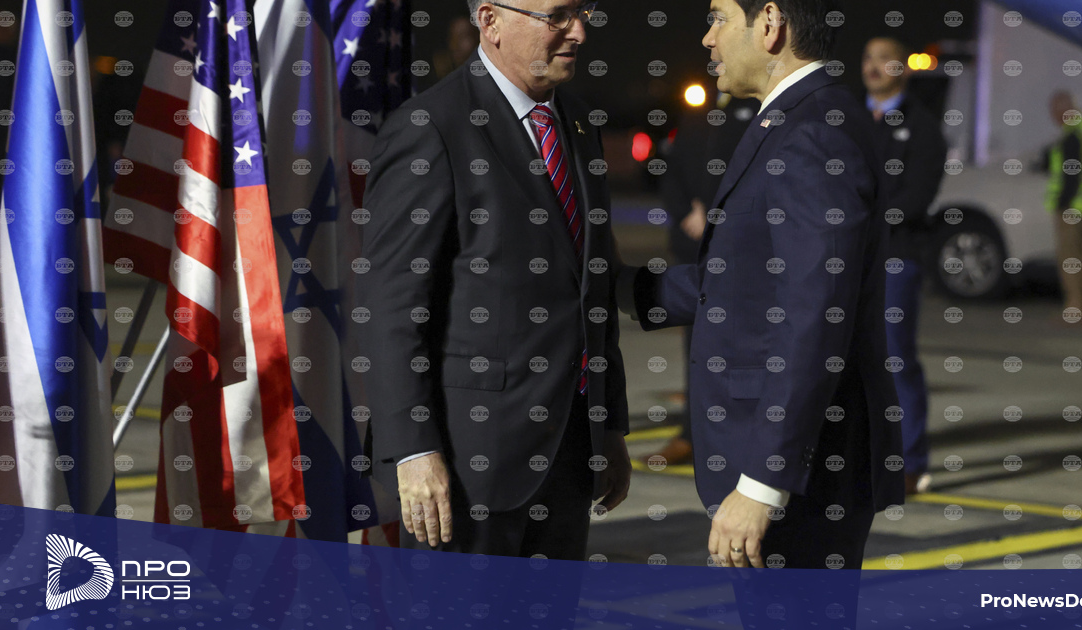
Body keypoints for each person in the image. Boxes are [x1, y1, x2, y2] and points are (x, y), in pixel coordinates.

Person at [619, 0, 903, 571]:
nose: (708, 38)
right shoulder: (796, 119)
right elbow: (747, 283)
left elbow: (813, 315)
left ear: (770, 24)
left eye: (719, 17)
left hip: (801, 478)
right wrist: (618, 290)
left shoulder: (813, 133)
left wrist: (762, 484)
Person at [360, 0, 631, 560]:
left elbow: (591, 290)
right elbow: (393, 309)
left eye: (582, 12)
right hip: (466, 470)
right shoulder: (432, 126)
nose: (579, 32)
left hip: (569, 458)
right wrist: (412, 451)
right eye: (557, 16)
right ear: (491, 21)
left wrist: (607, 427)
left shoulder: (579, 123)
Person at [648, 93, 757, 466]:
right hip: (693, 251)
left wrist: (712, 214)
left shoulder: (761, 109)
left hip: (739, 251)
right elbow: (671, 171)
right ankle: (692, 436)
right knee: (697, 349)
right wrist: (685, 213)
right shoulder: (697, 114)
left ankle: (741, 440)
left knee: (741, 350)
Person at [861, 37, 947, 495]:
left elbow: (916, 198)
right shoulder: (847, 120)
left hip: (896, 258)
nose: (873, 66)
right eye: (868, 58)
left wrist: (860, 217)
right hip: (846, 258)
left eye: (885, 59)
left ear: (904, 69)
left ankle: (910, 462)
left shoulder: (923, 128)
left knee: (896, 359)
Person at [1046, 90, 1082, 323]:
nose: (1053, 116)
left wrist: (1062, 204)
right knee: (1078, 258)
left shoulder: (1074, 134)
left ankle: (1075, 311)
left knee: (1069, 259)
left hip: (1072, 207)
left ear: (1064, 110)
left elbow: (1072, 174)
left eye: (1054, 111)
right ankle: (1081, 308)